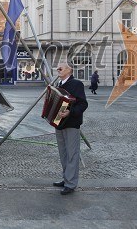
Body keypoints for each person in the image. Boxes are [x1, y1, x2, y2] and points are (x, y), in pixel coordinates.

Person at [53, 62, 89, 195]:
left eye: (60, 68)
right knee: (63, 153)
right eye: (58, 68)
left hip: (72, 123)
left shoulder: (76, 84)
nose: (58, 70)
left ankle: (71, 183)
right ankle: (66, 178)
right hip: (59, 123)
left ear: (69, 70)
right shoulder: (59, 85)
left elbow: (83, 104)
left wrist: (70, 112)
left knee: (72, 154)